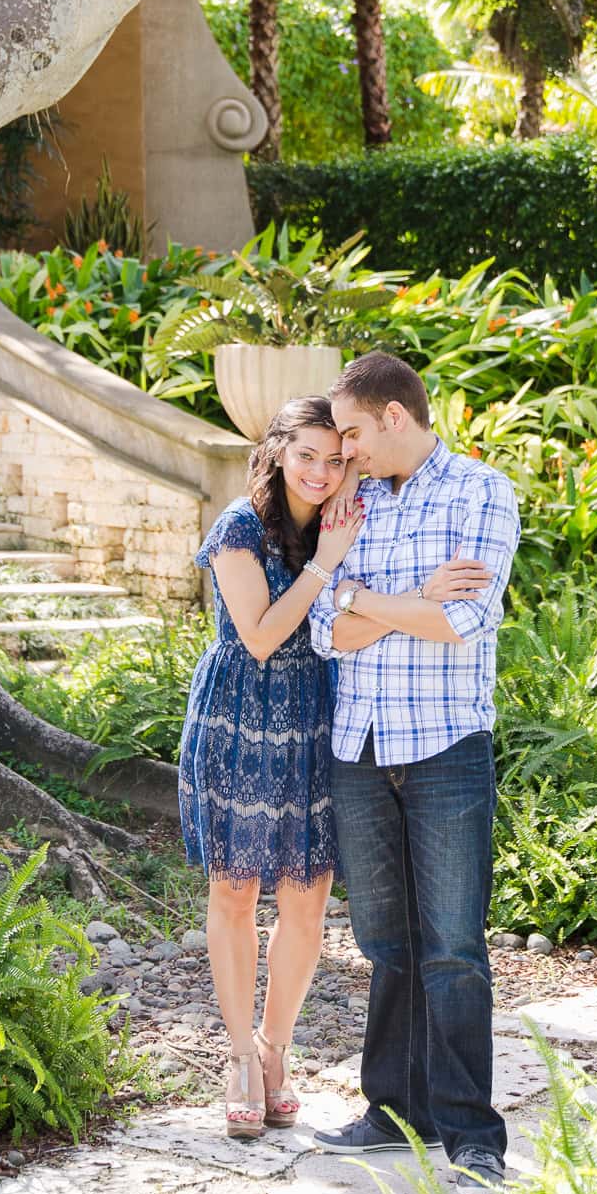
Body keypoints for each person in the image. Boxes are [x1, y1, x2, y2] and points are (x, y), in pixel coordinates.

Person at [308, 350, 520, 1194]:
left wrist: (364, 600)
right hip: (358, 749)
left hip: (442, 750)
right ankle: (395, 1114)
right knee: (385, 946)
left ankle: (472, 1134)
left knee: (454, 951)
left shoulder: (480, 491)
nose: (343, 452)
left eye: (353, 432)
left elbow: (463, 618)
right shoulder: (350, 502)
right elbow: (325, 627)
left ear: (394, 416)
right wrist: (389, 603)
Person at [177, 395, 363, 1138]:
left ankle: (275, 1049)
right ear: (278, 451)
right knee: (234, 889)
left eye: (334, 458)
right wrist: (324, 568)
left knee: (307, 898)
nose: (319, 472)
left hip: (314, 717)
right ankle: (237, 1060)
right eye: (306, 455)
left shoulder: (344, 521)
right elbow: (257, 636)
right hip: (239, 716)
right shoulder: (241, 526)